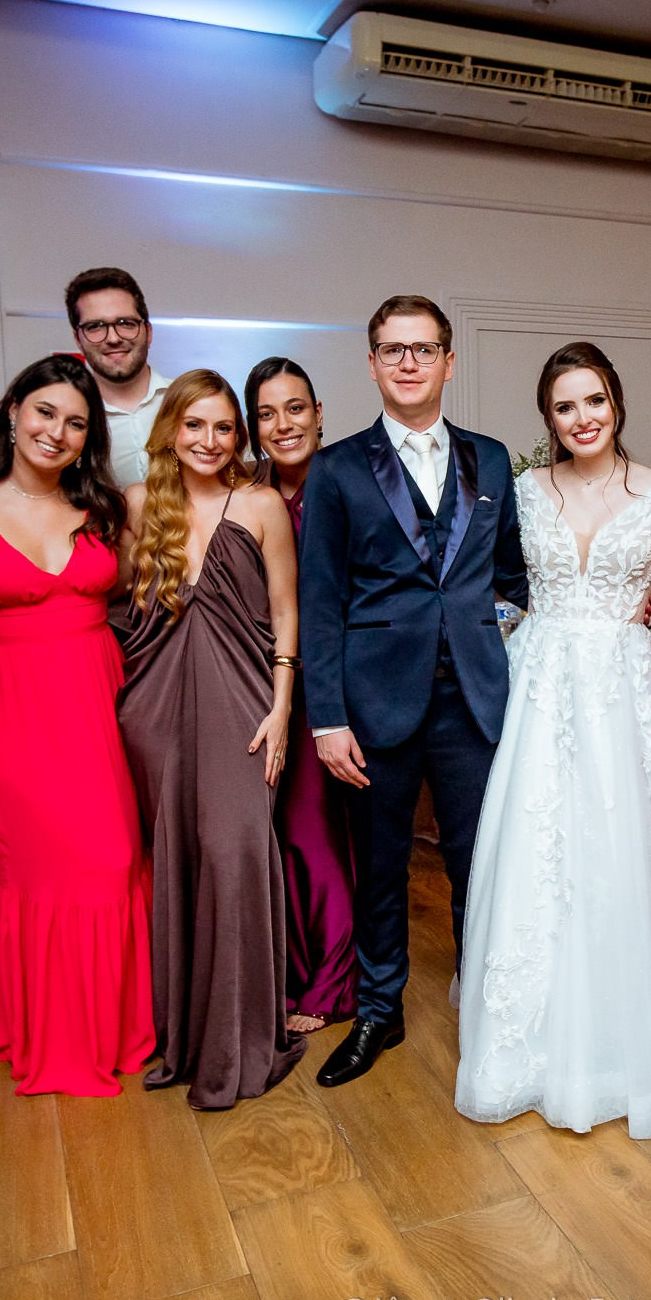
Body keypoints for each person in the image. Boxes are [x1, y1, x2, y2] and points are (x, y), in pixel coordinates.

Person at [454, 342, 651, 1139]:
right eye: (565, 406)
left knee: (616, 847)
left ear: (616, 402)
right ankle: (527, 1036)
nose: (582, 418)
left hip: (623, 686)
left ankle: (617, 1039)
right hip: (542, 679)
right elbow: (491, 576)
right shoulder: (524, 489)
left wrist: (642, 598)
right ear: (548, 418)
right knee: (536, 845)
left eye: (594, 400)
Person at [298, 295, 529, 1089]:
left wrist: (483, 632)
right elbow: (320, 599)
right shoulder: (336, 468)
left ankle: (486, 1009)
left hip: (472, 702)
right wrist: (328, 718)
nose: (408, 362)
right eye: (392, 349)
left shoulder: (490, 459)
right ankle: (378, 1010)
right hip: (372, 705)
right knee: (382, 866)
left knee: (478, 864)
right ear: (371, 364)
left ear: (448, 362)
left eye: (423, 349)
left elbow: (512, 575)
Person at [0, 355, 152, 1096]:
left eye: (75, 422)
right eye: (45, 412)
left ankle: (117, 1028)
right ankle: (48, 1035)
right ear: (13, 411)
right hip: (6, 704)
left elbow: (139, 592)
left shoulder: (105, 508)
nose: (57, 432)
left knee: (113, 854)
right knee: (34, 868)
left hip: (97, 694)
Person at [118, 370, 305, 1107]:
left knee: (235, 852)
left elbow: (286, 611)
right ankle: (185, 1036)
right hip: (155, 707)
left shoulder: (260, 504)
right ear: (169, 429)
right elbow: (117, 606)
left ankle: (239, 1038)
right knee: (177, 858)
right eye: (194, 424)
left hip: (244, 704)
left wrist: (282, 708)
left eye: (224, 427)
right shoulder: (138, 504)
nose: (210, 440)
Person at [245, 356, 358, 1035]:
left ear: (319, 413)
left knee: (317, 835)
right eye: (266, 413)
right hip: (260, 684)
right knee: (273, 836)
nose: (283, 424)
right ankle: (284, 973)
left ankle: (331, 981)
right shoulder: (244, 494)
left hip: (334, 684)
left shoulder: (351, 481)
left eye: (295, 408)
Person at [66, 267, 169, 490]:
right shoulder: (66, 420)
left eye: (125, 323)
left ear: (148, 332)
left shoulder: (191, 403)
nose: (113, 338)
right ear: (78, 339)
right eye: (95, 326)